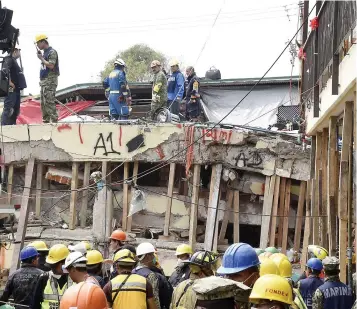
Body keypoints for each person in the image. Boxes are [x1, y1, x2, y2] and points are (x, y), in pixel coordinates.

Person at [133, 242, 173, 309]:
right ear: (148, 256)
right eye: (152, 254)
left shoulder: (133, 272)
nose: (154, 257)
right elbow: (154, 300)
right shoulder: (150, 275)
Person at [32, 244, 72, 309]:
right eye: (51, 265)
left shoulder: (74, 279)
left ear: (65, 263)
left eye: (55, 265)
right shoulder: (44, 278)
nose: (53, 268)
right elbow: (35, 304)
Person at [35, 34, 59, 123]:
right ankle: (46, 121)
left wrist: (41, 59)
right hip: (44, 82)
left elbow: (51, 65)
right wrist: (42, 57)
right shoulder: (45, 53)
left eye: (38, 43)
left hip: (50, 81)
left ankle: (54, 121)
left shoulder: (52, 52)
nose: (37, 45)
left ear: (43, 41)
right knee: (43, 104)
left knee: (49, 102)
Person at [1, 45, 26, 126]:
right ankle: (4, 127)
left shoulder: (14, 61)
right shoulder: (8, 59)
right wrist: (9, 82)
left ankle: (12, 126)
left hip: (17, 89)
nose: (19, 53)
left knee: (15, 110)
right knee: (9, 108)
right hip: (11, 89)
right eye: (19, 51)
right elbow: (4, 70)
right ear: (15, 51)